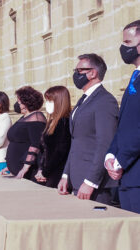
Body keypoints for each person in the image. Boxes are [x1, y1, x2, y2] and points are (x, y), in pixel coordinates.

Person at [58, 53, 119, 205]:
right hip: (76, 179)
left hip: (93, 184)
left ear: (92, 73)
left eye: (79, 70)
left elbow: (105, 143)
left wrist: (91, 181)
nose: (75, 74)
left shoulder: (105, 100)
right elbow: (76, 141)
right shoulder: (84, 100)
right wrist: (66, 175)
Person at [105, 20, 140, 213]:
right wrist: (111, 154)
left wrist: (120, 161)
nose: (123, 47)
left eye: (128, 42)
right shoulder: (135, 77)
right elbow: (125, 123)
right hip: (128, 175)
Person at [1, 86, 46, 180]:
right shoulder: (25, 117)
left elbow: (36, 144)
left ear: (26, 102)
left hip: (27, 172)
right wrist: (9, 166)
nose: (17, 103)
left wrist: (25, 167)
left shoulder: (36, 117)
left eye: (19, 101)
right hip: (16, 169)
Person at [35, 86, 71, 188]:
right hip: (46, 172)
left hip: (56, 173)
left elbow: (60, 152)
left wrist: (45, 172)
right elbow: (44, 150)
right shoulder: (51, 122)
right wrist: (41, 169)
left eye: (50, 101)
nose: (47, 104)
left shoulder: (64, 122)